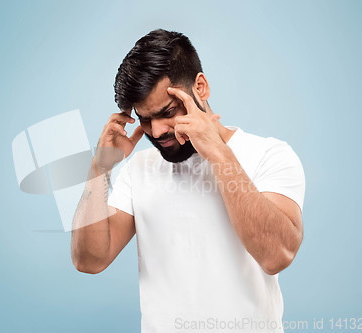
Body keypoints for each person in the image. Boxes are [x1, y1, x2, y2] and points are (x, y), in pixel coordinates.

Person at [71, 28, 305, 333]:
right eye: (144, 119)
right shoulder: (139, 168)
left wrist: (219, 154)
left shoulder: (268, 154)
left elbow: (277, 256)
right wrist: (100, 168)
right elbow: (89, 260)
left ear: (201, 87)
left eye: (167, 112)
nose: (155, 132)